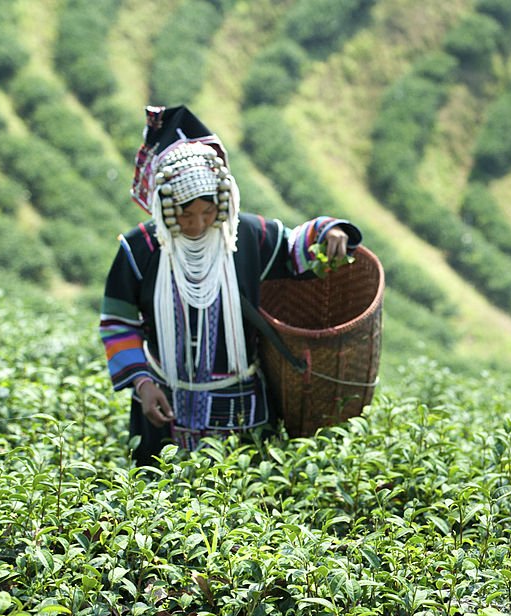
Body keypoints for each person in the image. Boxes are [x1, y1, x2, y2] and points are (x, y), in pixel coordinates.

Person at [100, 105, 361, 466]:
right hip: (163, 406)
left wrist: (332, 231)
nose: (197, 225)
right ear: (164, 207)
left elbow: (295, 246)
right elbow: (118, 322)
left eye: (208, 213)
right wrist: (143, 385)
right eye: (185, 214)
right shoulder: (140, 249)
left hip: (239, 409)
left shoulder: (244, 238)